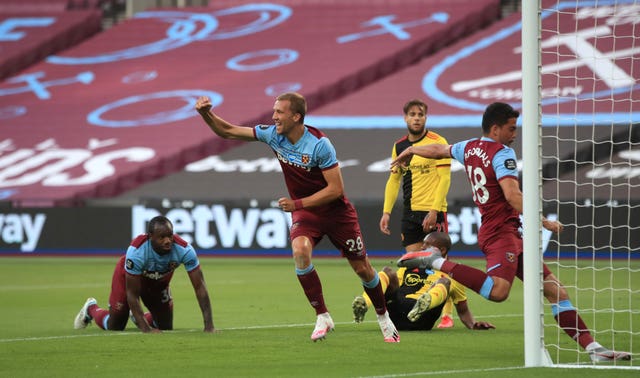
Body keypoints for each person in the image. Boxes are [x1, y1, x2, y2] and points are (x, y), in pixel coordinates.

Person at [394, 102, 631, 362]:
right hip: (500, 233)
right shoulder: (502, 153)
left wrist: (413, 149)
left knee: (556, 291)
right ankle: (435, 261)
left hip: (509, 233)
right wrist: (542, 220)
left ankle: (593, 349)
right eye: (511, 128)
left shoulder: (469, 147)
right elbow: (512, 195)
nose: (515, 134)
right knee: (498, 292)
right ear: (495, 129)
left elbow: (440, 150)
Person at [195, 92, 400, 343]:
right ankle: (322, 315)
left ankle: (383, 316)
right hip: (306, 213)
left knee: (362, 268)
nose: (273, 117)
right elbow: (227, 131)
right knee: (300, 251)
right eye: (274, 111)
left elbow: (336, 189)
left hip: (336, 214)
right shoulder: (273, 135)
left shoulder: (319, 144)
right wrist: (206, 113)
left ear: (296, 116)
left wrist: (296, 203)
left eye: (279, 112)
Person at [378, 98, 455, 328]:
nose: (416, 118)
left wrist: (434, 209)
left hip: (433, 212)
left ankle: (447, 315)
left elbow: (445, 179)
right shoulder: (399, 146)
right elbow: (394, 180)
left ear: (426, 117)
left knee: (440, 264)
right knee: (413, 268)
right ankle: (412, 309)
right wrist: (386, 212)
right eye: (412, 114)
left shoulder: (438, 142)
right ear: (405, 118)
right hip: (409, 214)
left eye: (420, 114)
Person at [73, 215, 216, 333]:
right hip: (129, 278)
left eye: (170, 236)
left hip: (159, 283)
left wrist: (209, 325)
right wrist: (146, 329)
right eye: (162, 237)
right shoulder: (136, 252)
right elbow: (132, 294)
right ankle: (91, 308)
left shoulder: (184, 250)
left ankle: (137, 316)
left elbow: (200, 287)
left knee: (165, 328)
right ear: (150, 237)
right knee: (115, 326)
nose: (167, 241)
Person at [352, 232, 494, 331]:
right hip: (396, 316)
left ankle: (425, 303)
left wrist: (473, 325)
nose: (422, 247)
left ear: (442, 250)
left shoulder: (453, 274)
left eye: (427, 245)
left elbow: (463, 311)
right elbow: (392, 286)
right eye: (423, 244)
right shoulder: (410, 265)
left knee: (444, 282)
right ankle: (365, 302)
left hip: (422, 320)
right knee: (388, 272)